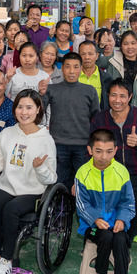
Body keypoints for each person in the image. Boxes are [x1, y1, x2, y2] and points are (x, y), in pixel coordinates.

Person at [0, 89, 57, 274]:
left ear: (38, 110)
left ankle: (7, 260)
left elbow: (51, 178)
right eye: (20, 107)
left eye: (29, 107)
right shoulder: (7, 133)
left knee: (11, 210)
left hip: (32, 191)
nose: (24, 112)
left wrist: (40, 168)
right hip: (7, 186)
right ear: (15, 110)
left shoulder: (45, 139)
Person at [90, 79, 137, 250]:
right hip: (107, 174)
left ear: (130, 97)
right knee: (94, 203)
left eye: (122, 96)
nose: (117, 100)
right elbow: (90, 149)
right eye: (113, 95)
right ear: (108, 96)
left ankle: (123, 243)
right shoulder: (100, 119)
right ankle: (102, 240)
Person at [75, 128, 136, 274]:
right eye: (99, 151)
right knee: (106, 237)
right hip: (91, 226)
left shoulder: (121, 172)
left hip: (115, 222)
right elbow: (81, 204)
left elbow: (128, 203)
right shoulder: (82, 173)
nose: (104, 156)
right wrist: (95, 219)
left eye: (109, 151)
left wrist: (122, 219)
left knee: (120, 239)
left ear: (116, 150)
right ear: (90, 150)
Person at [39, 52, 99, 190]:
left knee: (82, 184)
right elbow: (38, 111)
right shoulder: (51, 89)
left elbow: (96, 118)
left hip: (83, 146)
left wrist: (93, 143)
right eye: (67, 66)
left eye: (76, 67)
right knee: (58, 184)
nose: (71, 71)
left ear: (81, 68)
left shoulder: (90, 91)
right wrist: (41, 94)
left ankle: (80, 205)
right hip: (58, 145)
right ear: (62, 68)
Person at [103, 30, 137, 118]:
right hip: (116, 113)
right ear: (121, 46)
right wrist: (101, 45)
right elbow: (107, 90)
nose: (130, 47)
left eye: (133, 43)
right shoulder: (113, 62)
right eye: (125, 44)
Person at [77, 40, 112, 108]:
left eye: (90, 54)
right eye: (83, 54)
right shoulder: (73, 76)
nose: (87, 57)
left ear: (97, 56)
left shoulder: (106, 78)